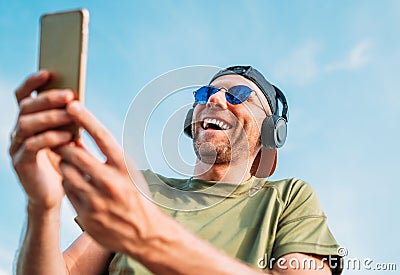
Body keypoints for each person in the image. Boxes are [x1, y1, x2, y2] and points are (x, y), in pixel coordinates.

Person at [9, 65, 342, 274]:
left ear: (269, 132)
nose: (217, 100)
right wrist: (42, 208)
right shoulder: (145, 189)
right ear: (192, 122)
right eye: (207, 93)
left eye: (239, 95)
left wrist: (149, 238)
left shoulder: (288, 198)